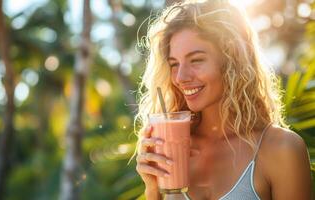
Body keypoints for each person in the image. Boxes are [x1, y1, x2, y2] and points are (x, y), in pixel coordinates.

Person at [134, 0, 313, 199]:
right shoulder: (170, 151)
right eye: (174, 64)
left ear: (231, 61)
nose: (180, 77)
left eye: (196, 60)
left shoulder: (281, 148)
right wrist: (152, 189)